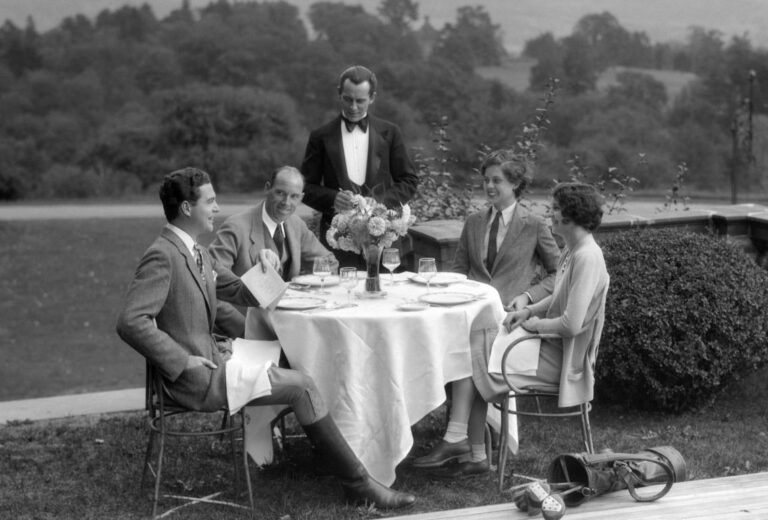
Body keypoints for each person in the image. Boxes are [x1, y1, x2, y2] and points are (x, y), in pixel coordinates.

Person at [116, 167, 415, 509]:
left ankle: (342, 460)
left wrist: (264, 267)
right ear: (187, 208)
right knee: (302, 385)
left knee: (302, 365)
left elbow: (242, 292)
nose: (216, 208)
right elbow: (131, 321)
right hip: (197, 379)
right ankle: (359, 484)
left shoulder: (195, 250)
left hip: (217, 358)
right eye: (210, 202)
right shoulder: (164, 254)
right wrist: (182, 360)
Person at [413, 182, 610, 477]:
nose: (551, 213)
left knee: (474, 353)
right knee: (474, 344)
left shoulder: (587, 257)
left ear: (572, 215)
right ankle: (468, 447)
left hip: (562, 359)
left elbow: (571, 325)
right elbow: (558, 298)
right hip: (548, 345)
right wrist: (528, 310)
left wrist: (533, 326)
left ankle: (465, 445)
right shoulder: (573, 251)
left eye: (556, 209)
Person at [300, 65, 418, 266]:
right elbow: (305, 188)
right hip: (337, 242)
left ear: (372, 98)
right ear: (339, 94)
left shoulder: (391, 133)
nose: (353, 107)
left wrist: (379, 202)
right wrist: (333, 198)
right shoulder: (320, 137)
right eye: (348, 99)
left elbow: (409, 181)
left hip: (384, 239)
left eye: (360, 101)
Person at [208, 166, 338, 339]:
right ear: (267, 188)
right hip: (245, 333)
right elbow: (209, 286)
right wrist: (244, 328)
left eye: (294, 196)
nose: (286, 202)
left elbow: (329, 262)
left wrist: (303, 286)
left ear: (301, 198)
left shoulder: (296, 224)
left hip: (291, 328)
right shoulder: (236, 227)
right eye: (280, 193)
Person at [451, 150, 560, 309]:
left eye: (496, 180)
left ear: (515, 184)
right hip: (471, 310)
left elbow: (560, 273)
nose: (489, 186)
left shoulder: (534, 224)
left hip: (510, 314)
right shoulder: (473, 222)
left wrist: (528, 297)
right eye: (486, 180)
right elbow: (458, 271)